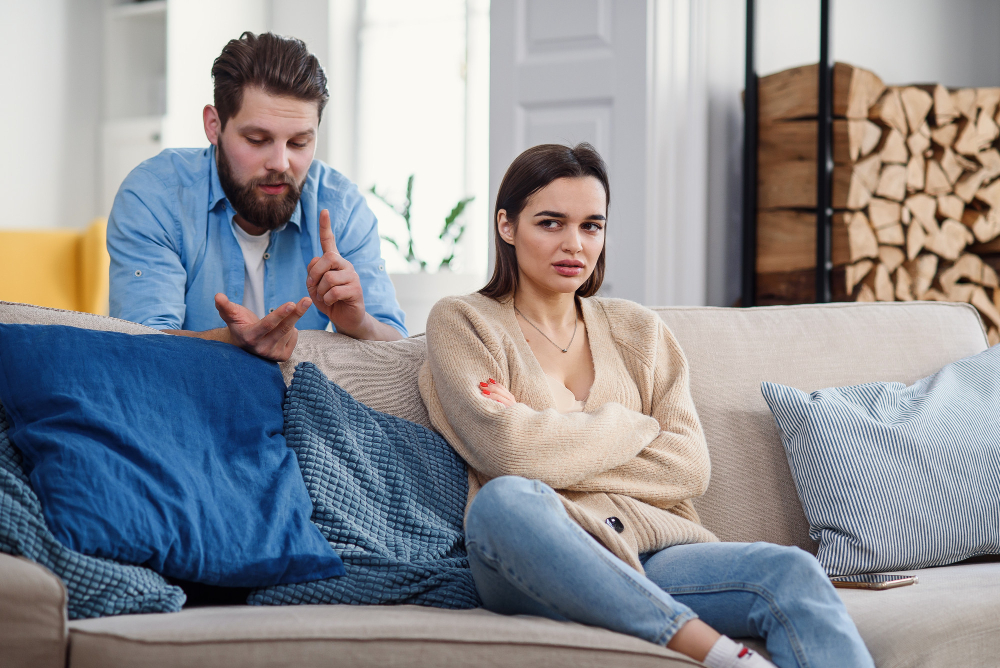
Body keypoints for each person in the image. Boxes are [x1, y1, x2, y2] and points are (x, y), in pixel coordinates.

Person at [418, 143, 874, 668]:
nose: (574, 244)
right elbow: (512, 453)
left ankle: (640, 610)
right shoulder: (463, 322)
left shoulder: (640, 331)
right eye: (550, 223)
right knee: (506, 502)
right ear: (507, 224)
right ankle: (719, 654)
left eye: (592, 225)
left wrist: (559, 435)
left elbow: (689, 466)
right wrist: (635, 426)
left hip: (663, 553)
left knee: (793, 571)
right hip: (546, 553)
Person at [108, 32, 406, 361]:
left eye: (299, 143)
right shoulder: (155, 195)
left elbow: (401, 352)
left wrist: (360, 324)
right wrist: (229, 341)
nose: (280, 163)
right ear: (213, 125)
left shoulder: (342, 207)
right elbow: (139, 344)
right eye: (256, 139)